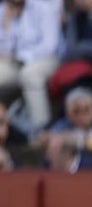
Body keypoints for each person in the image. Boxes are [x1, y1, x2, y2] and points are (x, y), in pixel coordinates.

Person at [0, 0, 61, 132]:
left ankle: (42, 130)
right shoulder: (2, 11)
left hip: (46, 59)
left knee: (29, 74)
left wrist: (21, 56)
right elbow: (4, 50)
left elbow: (50, 45)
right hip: (15, 63)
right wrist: (6, 27)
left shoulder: (43, 8)